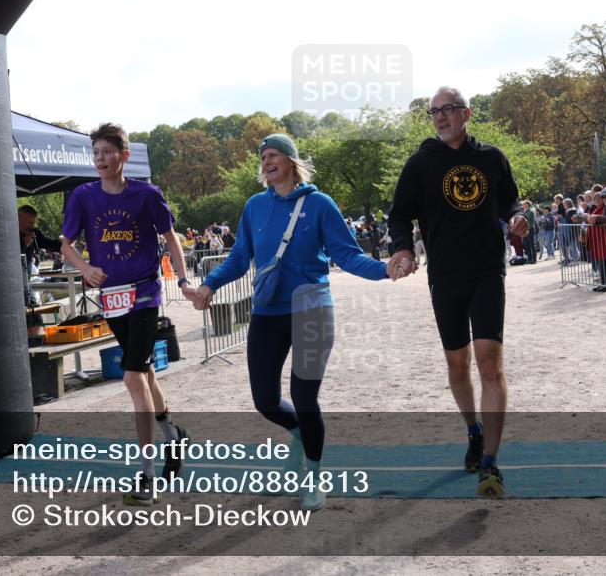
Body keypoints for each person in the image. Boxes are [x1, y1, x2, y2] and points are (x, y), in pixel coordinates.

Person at [192, 133, 389, 512]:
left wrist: (384, 270)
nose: (266, 162)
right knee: (264, 400)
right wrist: (207, 285)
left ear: (291, 162)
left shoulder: (319, 205)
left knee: (304, 397)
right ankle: (297, 434)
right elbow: (238, 258)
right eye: (263, 156)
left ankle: (313, 477)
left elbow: (347, 256)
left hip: (312, 308)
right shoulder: (253, 207)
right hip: (267, 312)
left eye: (274, 155)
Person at [386, 86, 527, 499]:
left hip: (486, 271)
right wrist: (404, 248)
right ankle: (473, 430)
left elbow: (510, 202)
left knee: (490, 363)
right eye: (434, 112)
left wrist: (518, 219)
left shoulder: (491, 157)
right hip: (444, 276)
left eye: (447, 110)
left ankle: (491, 463)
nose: (440, 117)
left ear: (466, 113)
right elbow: (399, 215)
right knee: (457, 364)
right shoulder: (421, 162)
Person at [60, 123, 198, 506]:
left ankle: (146, 474)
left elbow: (170, 237)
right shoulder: (83, 197)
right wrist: (85, 269)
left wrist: (183, 279)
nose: (100, 159)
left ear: (124, 156)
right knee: (145, 373)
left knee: (133, 375)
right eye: (95, 153)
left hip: (145, 293)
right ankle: (172, 435)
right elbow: (66, 245)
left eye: (107, 152)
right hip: (112, 297)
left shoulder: (146, 195)